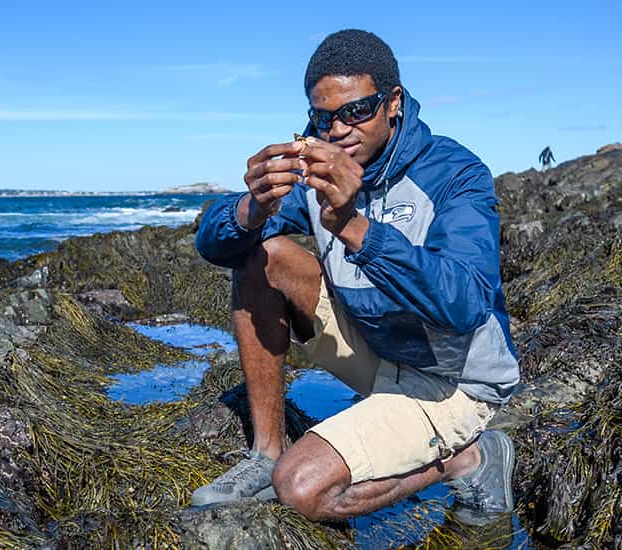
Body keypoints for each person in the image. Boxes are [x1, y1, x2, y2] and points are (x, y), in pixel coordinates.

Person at [192, 29, 520, 522]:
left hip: (454, 379)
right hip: (377, 353)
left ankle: (471, 457)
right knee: (264, 254)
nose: (339, 130)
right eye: (323, 117)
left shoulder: (455, 173)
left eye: (357, 111)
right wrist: (250, 209)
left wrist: (352, 226)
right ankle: (265, 452)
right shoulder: (315, 169)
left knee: (302, 489)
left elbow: (466, 303)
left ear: (393, 102)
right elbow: (215, 247)